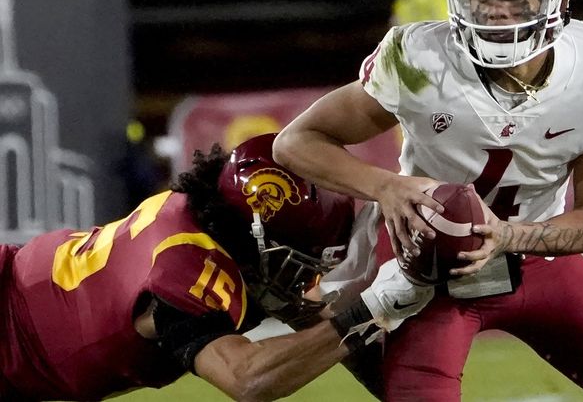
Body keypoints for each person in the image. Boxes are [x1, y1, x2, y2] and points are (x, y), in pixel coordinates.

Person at [274, 0, 583, 402]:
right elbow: (295, 142)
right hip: (424, 270)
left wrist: (507, 235)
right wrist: (387, 187)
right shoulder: (419, 59)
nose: (498, 11)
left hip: (540, 262)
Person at [0, 133, 433, 401]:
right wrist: (375, 306)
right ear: (261, 237)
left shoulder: (224, 225)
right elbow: (247, 380)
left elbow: (331, 326)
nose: (310, 280)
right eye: (304, 258)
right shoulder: (187, 270)